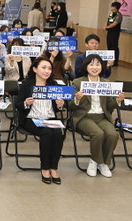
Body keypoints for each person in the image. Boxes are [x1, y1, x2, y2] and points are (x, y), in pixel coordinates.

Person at [71, 54, 124, 178]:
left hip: (102, 116)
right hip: (84, 116)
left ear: (102, 66)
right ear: (86, 66)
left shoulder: (106, 83)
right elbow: (71, 106)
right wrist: (77, 99)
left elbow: (110, 105)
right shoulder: (78, 82)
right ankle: (95, 162)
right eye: (91, 64)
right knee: (98, 134)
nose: (95, 67)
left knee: (113, 135)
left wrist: (118, 100)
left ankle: (102, 163)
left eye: (98, 64)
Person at [16, 57, 65, 185]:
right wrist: (26, 103)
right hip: (31, 118)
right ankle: (45, 168)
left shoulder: (53, 84)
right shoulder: (27, 84)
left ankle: (54, 167)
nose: (47, 71)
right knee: (47, 133)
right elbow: (18, 105)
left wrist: (60, 105)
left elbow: (59, 108)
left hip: (49, 117)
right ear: (35, 69)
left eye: (49, 68)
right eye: (43, 68)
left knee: (58, 134)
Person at [105, 2, 122, 66]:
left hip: (115, 33)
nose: (111, 7)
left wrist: (107, 27)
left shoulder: (118, 15)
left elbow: (115, 23)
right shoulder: (111, 14)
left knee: (114, 46)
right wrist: (105, 26)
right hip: (109, 32)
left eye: (112, 6)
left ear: (115, 7)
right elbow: (108, 21)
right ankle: (110, 60)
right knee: (109, 46)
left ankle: (115, 62)